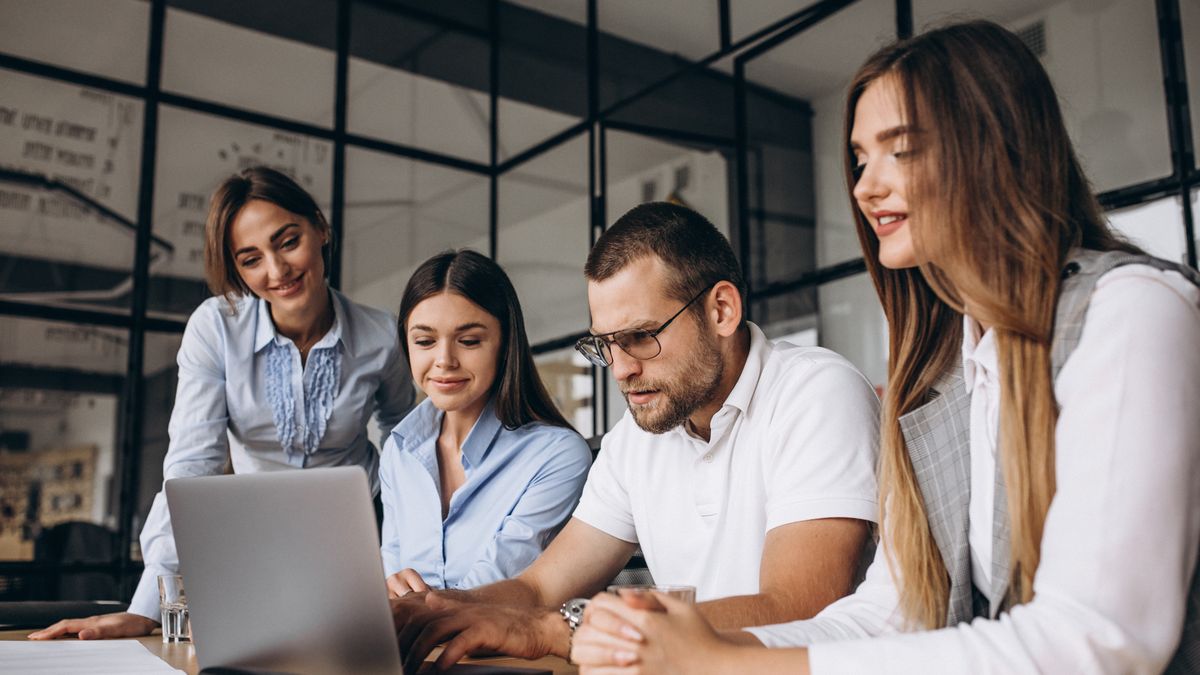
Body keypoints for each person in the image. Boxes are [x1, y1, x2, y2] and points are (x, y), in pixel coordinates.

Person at [570, 20, 1200, 674]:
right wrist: (689, 640)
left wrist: (723, 662)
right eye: (861, 158)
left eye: (900, 150)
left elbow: (1096, 637)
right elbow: (893, 611)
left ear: (993, 147)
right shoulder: (943, 370)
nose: (866, 186)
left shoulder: (1130, 310)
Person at [391, 201, 882, 673]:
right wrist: (438, 607)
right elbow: (540, 588)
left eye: (641, 336)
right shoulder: (638, 438)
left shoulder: (815, 392)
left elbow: (797, 606)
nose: (622, 370)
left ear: (722, 310)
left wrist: (569, 629)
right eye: (605, 344)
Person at [31, 167, 415, 640]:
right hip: (254, 532)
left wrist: (401, 559)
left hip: (359, 527)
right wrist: (150, 605)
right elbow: (193, 466)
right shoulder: (215, 328)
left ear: (321, 228)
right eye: (251, 259)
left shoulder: (382, 335)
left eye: (288, 241)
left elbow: (407, 448)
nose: (277, 272)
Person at [380, 249, 591, 596]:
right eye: (424, 341)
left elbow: (495, 588)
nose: (444, 360)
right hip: (410, 645)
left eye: (469, 341)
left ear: (505, 345)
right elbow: (391, 575)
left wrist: (410, 607)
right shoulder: (398, 451)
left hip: (502, 648)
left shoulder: (557, 455)